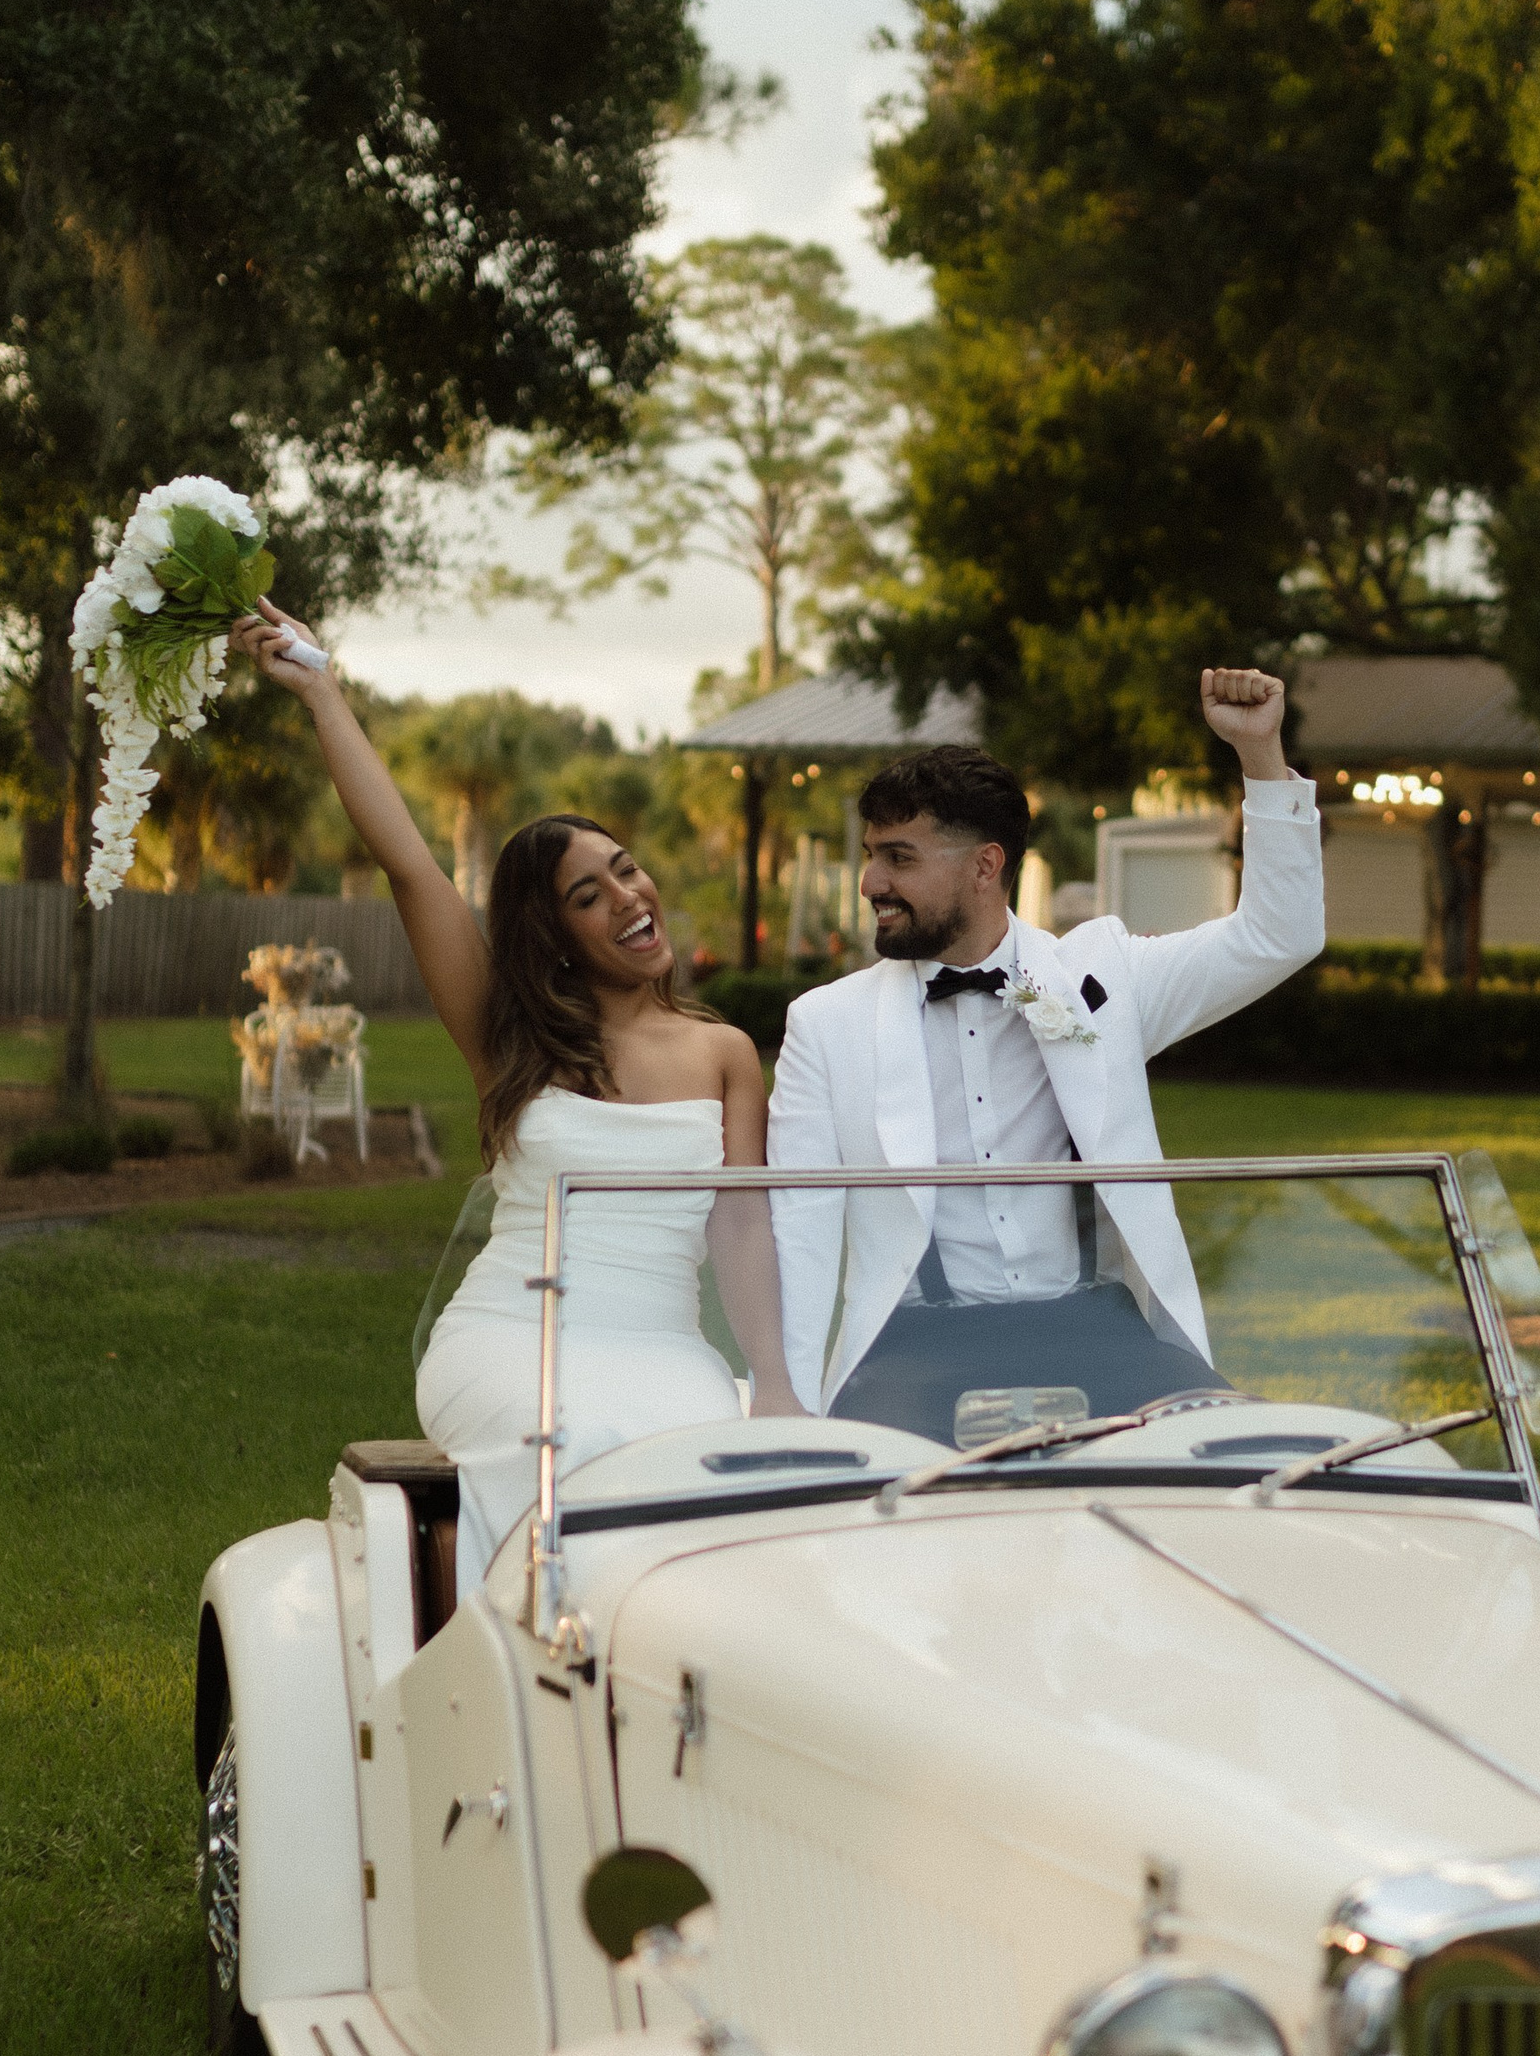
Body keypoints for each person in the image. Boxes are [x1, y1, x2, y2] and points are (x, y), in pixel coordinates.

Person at [234, 599, 799, 1580]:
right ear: (555, 936)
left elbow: (742, 1227)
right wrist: (323, 691)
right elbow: (411, 865)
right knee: (579, 1442)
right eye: (589, 895)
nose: (629, 897)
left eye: (627, 871)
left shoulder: (726, 1053)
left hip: (665, 1346)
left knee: (704, 1467)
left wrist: (775, 1380)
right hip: (509, 1337)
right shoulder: (515, 1041)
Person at [767, 667, 1325, 1440]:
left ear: (985, 866)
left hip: (1097, 1331)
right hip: (915, 1347)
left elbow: (1278, 937)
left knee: (1221, 1455)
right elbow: (799, 1230)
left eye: (898, 858)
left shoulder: (1103, 979)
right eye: (871, 856)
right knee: (884, 1493)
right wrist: (791, 1412)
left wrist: (1260, 756)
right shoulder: (825, 1025)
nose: (870, 883)